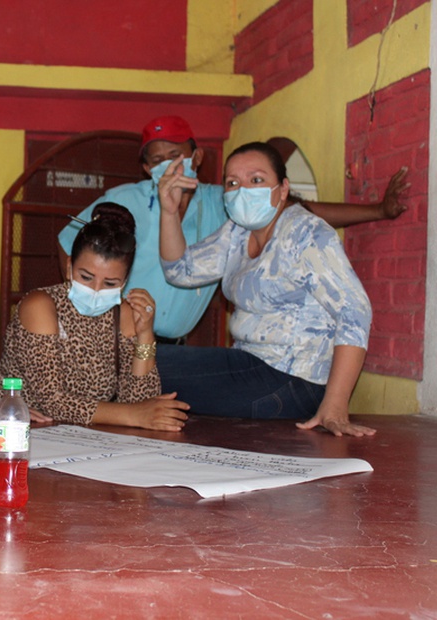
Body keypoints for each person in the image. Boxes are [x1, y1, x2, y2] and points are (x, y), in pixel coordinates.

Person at [58, 115, 408, 342]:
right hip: (117, 336)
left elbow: (303, 209)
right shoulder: (124, 201)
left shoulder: (224, 202)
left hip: (172, 344)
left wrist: (378, 210)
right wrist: (87, 303)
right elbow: (67, 242)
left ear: (196, 158)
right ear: (145, 166)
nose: (167, 165)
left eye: (175, 154)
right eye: (156, 158)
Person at [156, 142, 374, 438]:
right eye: (232, 183)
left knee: (149, 363)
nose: (243, 190)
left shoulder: (306, 233)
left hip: (293, 380)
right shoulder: (237, 231)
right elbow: (180, 270)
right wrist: (169, 212)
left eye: (256, 180)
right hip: (249, 366)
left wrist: (334, 404)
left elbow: (354, 312)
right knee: (145, 360)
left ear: (283, 189)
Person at [0, 202, 189, 430]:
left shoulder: (123, 313)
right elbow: (52, 401)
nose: (96, 289)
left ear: (124, 282)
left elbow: (141, 401)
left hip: (78, 434)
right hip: (13, 427)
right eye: (86, 277)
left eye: (110, 283)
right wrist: (134, 415)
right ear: (69, 266)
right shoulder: (41, 305)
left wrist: (145, 335)